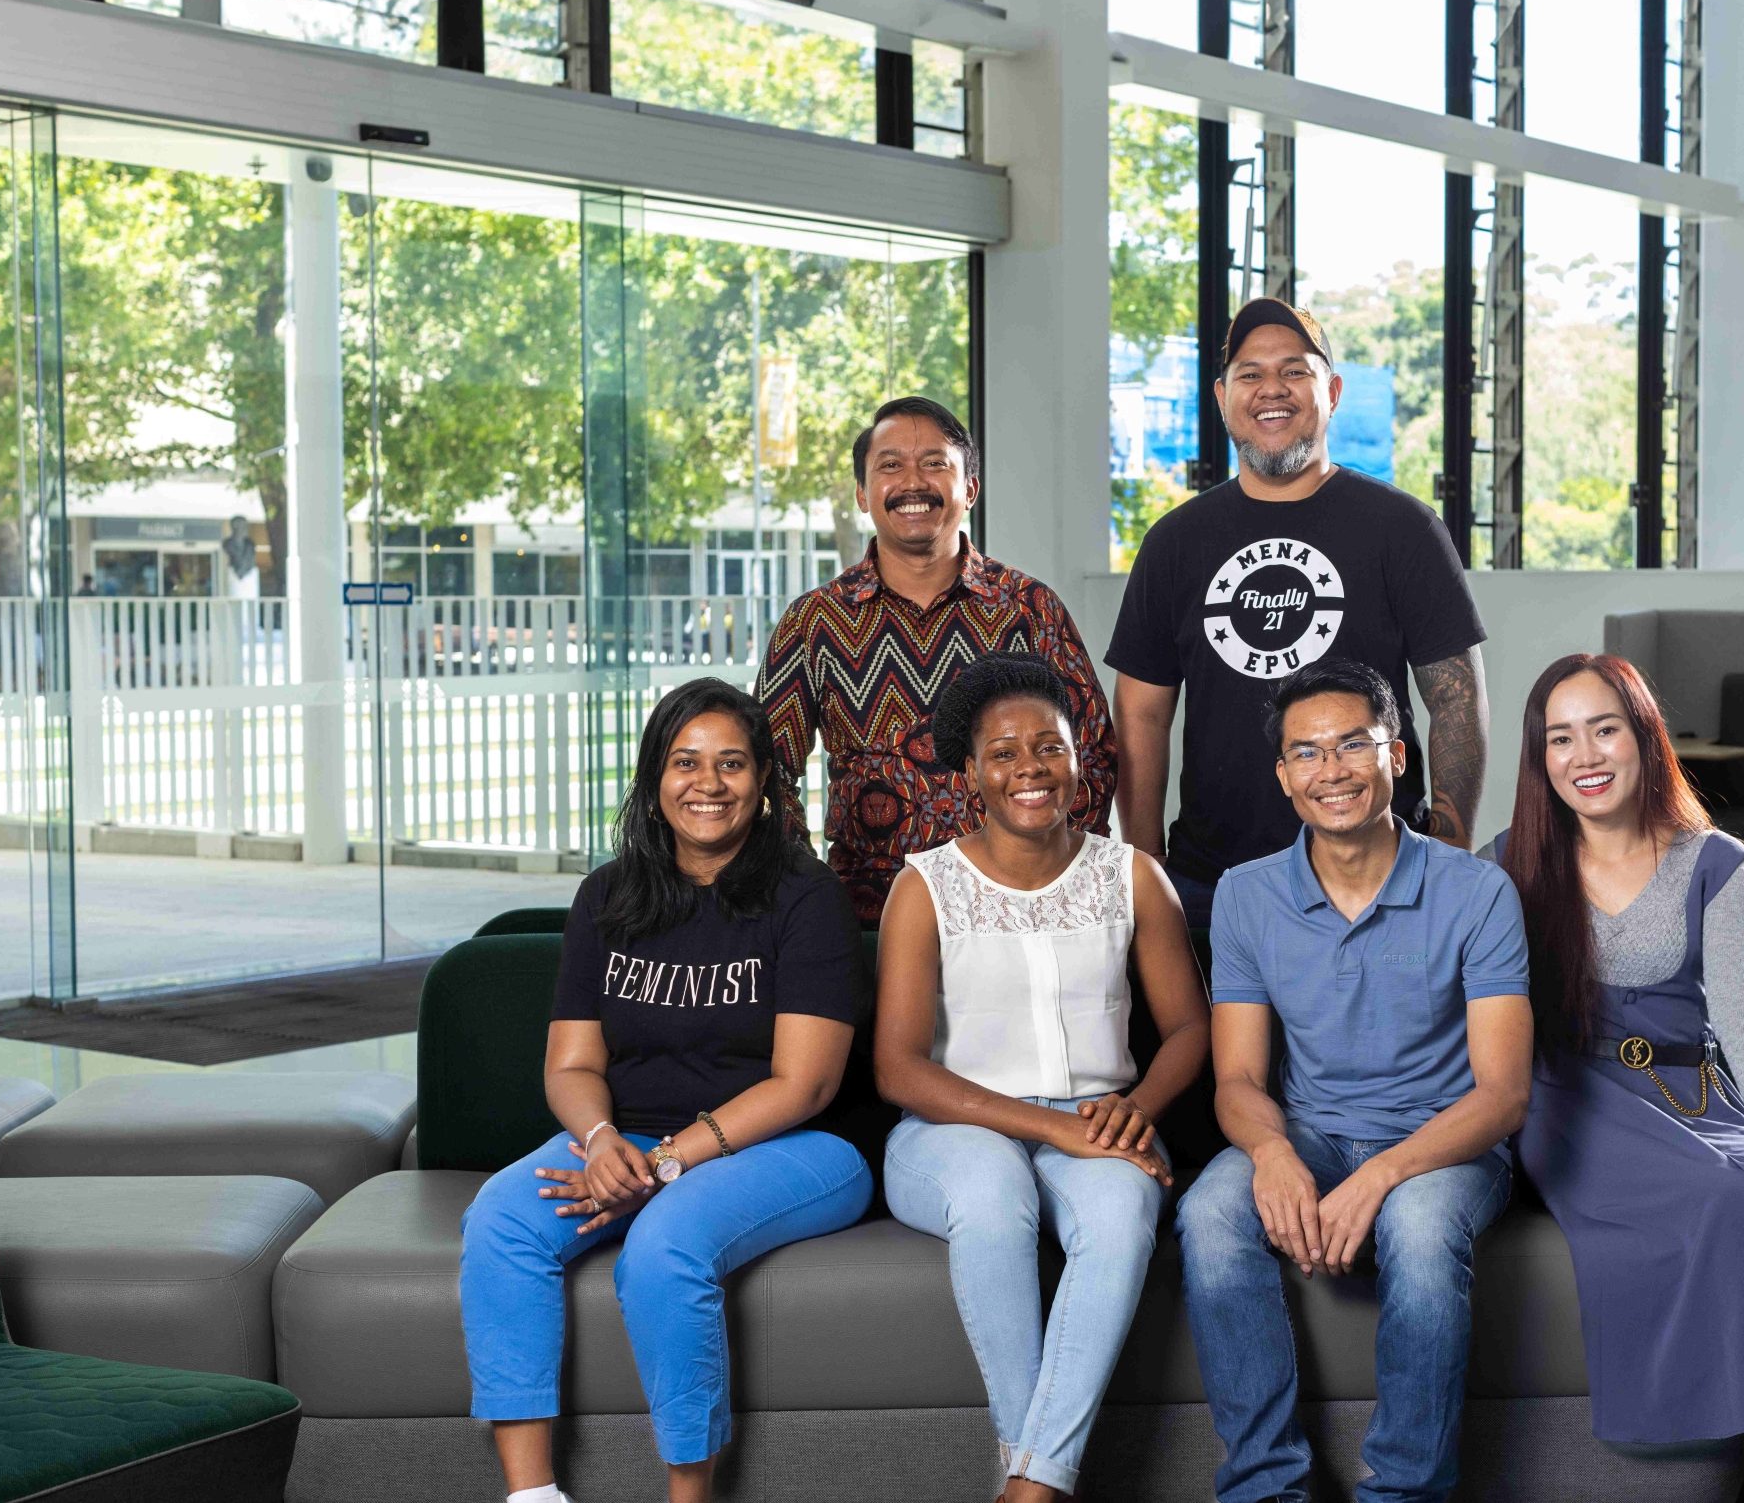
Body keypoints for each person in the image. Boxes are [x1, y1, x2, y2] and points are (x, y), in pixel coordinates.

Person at [1487, 654, 1744, 1503]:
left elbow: (1742, 1001)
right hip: (1570, 1101)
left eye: (1604, 728)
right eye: (1559, 738)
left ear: (1643, 736)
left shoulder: (1714, 859)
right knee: (1720, 1200)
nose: (1585, 754)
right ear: (1540, 758)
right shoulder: (1510, 863)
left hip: (1696, 1095)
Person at [459, 678, 873, 1503]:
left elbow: (807, 1080)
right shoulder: (607, 896)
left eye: (731, 764)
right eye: (686, 762)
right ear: (655, 779)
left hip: (798, 1145)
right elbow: (571, 1065)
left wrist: (665, 1165)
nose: (707, 784)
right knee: (501, 1218)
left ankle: (689, 1497)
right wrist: (603, 1142)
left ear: (764, 785)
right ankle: (531, 1496)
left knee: (662, 1246)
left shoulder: (806, 897)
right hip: (640, 1139)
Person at [1175, 658, 1534, 1503]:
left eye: (1352, 746)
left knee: (1416, 1229)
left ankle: (1405, 1492)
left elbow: (1503, 1094)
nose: (1331, 770)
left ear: (1397, 755)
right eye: (1306, 753)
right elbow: (1235, 1076)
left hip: (1445, 1143)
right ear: (1284, 777)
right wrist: (1270, 1153)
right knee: (1208, 1210)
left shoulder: (1479, 891)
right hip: (1310, 1127)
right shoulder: (1246, 895)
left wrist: (1379, 1172)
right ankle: (1266, 1487)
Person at [874, 653, 1211, 1503]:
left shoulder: (1131, 873)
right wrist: (1056, 1127)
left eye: (1048, 747)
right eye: (1003, 753)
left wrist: (1134, 1109)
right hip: (950, 1129)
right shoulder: (926, 886)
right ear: (971, 773)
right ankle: (1043, 1479)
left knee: (1125, 1210)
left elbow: (1189, 1029)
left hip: (1100, 1116)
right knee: (992, 1197)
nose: (1030, 768)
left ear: (1079, 759)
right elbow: (898, 1067)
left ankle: (1029, 1486)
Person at [1106, 298, 1489, 932]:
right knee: (1213, 1037)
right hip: (1212, 886)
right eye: (1250, 374)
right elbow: (1142, 712)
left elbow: (1455, 696)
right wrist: (1147, 875)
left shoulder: (1404, 528)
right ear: (1223, 396)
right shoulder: (1175, 542)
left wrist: (1446, 855)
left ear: (1331, 391)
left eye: (1295, 370)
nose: (1271, 390)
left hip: (1382, 875)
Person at [757, 396, 1117, 925]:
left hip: (1017, 910)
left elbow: (1092, 753)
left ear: (969, 488)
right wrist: (807, 887)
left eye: (934, 463)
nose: (913, 482)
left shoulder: (1029, 609)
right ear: (863, 493)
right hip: (867, 914)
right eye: (890, 465)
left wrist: (1044, 872)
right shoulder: (815, 621)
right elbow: (766, 770)